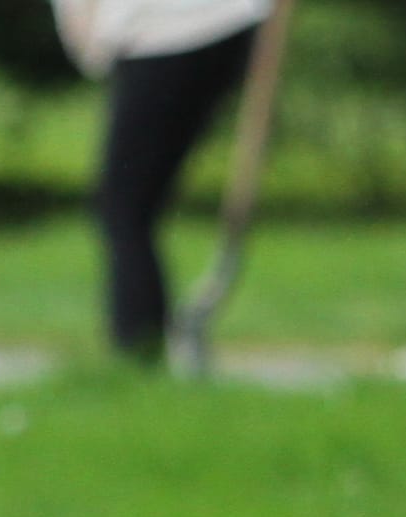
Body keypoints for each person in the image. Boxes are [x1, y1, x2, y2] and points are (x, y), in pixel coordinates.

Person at [53, 0, 273, 360]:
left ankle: (139, 348)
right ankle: (147, 342)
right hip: (217, 27)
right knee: (132, 205)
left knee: (123, 208)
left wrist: (94, 42)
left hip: (164, 35)